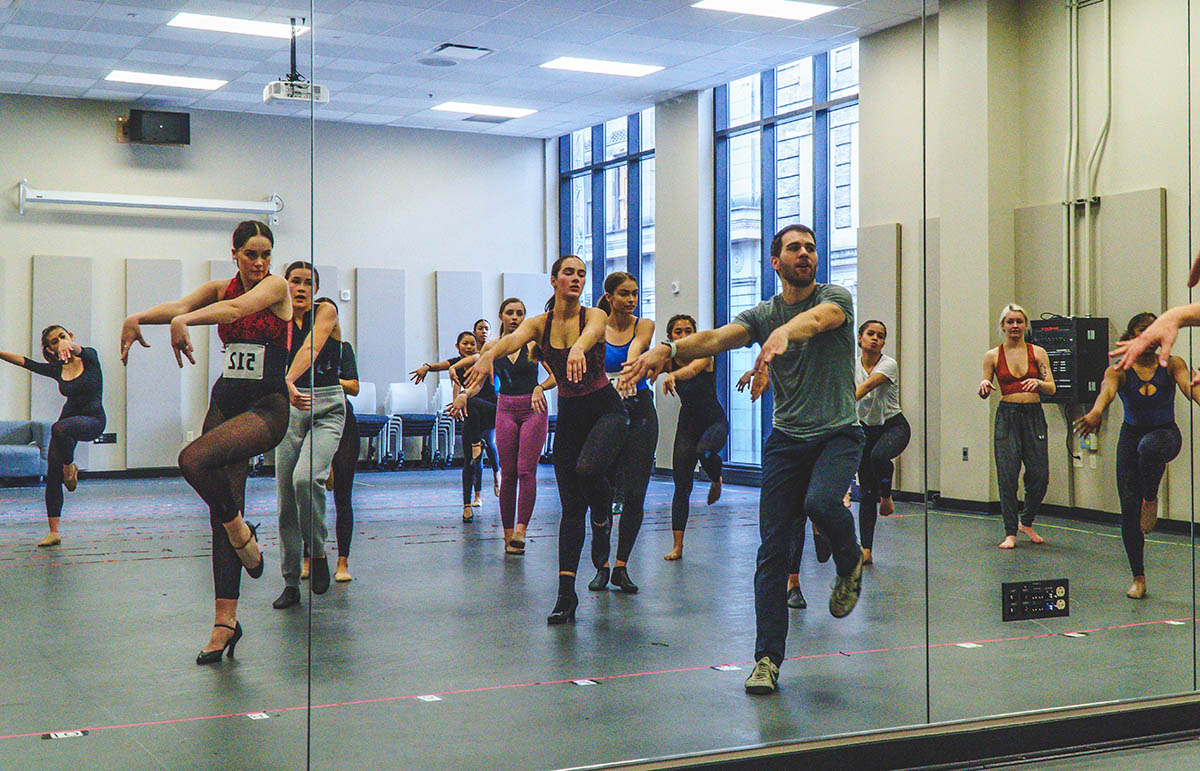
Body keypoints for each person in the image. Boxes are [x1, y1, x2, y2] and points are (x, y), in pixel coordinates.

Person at [623, 224, 864, 696]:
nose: (804, 254)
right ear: (775, 262)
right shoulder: (763, 313)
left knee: (820, 503)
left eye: (810, 248)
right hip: (786, 442)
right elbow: (714, 339)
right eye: (794, 248)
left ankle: (849, 556)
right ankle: (767, 660)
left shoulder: (836, 296)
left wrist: (782, 337)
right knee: (771, 553)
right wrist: (666, 351)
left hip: (838, 434)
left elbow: (817, 322)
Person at [121, 220, 291, 664]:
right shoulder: (219, 286)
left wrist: (184, 321)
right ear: (233, 253)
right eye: (251, 254)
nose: (259, 262)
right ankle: (224, 623)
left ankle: (240, 530)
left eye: (265, 254)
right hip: (225, 402)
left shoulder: (275, 287)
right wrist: (136, 317)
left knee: (192, 459)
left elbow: (236, 312)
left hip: (266, 406)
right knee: (223, 502)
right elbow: (177, 304)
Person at [465, 255, 627, 624]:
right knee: (571, 508)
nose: (576, 278)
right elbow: (510, 342)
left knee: (588, 471)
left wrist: (578, 349)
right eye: (568, 272)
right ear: (554, 280)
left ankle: (602, 514)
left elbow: (591, 335)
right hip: (570, 415)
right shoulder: (539, 323)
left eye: (581, 274)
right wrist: (487, 356)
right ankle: (565, 596)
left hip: (606, 410)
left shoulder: (594, 316)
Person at [1076, 312, 1197, 599]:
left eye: (1155, 332)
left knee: (1150, 447)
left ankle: (1151, 496)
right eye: (1144, 332)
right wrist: (1095, 412)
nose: (1152, 339)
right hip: (1130, 438)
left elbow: (1187, 386)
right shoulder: (1119, 370)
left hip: (1165, 435)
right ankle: (1138, 578)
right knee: (1129, 511)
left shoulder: (1172, 364)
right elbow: (1106, 392)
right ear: (1132, 337)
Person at [450, 298, 555, 553]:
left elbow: (555, 375)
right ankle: (509, 536)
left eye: (520, 313)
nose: (515, 317)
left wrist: (540, 387)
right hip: (505, 408)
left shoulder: (534, 343)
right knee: (508, 472)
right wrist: (464, 394)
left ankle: (521, 529)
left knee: (526, 470)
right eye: (510, 313)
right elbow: (478, 378)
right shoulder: (492, 346)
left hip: (533, 408)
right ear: (501, 316)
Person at [271, 263, 346, 610]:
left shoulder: (326, 310)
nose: (300, 288)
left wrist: (286, 379)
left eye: (307, 283)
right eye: (294, 281)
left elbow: (311, 349)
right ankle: (289, 581)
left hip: (326, 405)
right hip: (288, 409)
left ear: (316, 288)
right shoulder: (276, 317)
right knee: (286, 497)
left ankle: (316, 552)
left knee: (305, 480)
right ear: (285, 285)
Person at [0, 326, 105, 547]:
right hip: (67, 424)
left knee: (59, 428)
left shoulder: (90, 357)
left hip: (92, 420)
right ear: (50, 349)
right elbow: (25, 362)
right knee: (52, 473)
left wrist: (72, 347)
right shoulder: (57, 369)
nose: (60, 342)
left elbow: (81, 349)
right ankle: (54, 531)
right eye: (54, 341)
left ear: (71, 337)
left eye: (63, 337)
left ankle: (70, 468)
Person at [589, 272, 656, 594]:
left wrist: (630, 371)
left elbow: (638, 348)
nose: (631, 300)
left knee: (635, 494)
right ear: (610, 297)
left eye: (634, 294)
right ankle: (600, 564)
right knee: (600, 489)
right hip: (606, 409)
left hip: (640, 407)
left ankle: (621, 566)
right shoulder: (596, 325)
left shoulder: (644, 325)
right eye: (624, 294)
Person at [978, 304, 1055, 549]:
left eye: (1019, 321)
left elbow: (1051, 387)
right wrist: (983, 387)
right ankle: (1010, 531)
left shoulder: (1038, 353)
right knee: (1008, 476)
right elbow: (984, 384)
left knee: (1040, 475)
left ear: (1025, 325)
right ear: (1002, 326)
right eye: (1010, 322)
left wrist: (1039, 383)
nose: (1014, 326)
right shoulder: (993, 355)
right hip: (1007, 416)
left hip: (1033, 415)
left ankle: (1027, 520)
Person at [660, 314, 727, 562]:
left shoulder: (703, 356)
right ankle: (677, 546)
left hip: (714, 422)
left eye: (689, 330)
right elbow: (653, 365)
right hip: (687, 426)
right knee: (681, 486)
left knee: (704, 451)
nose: (684, 335)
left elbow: (693, 370)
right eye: (678, 331)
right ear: (670, 336)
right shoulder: (669, 360)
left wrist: (673, 376)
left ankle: (716, 477)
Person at [851, 320, 910, 564]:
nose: (875, 338)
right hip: (865, 431)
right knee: (866, 493)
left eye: (881, 336)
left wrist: (843, 404)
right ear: (860, 338)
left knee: (879, 456)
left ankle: (886, 494)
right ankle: (866, 550)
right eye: (870, 334)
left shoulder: (889, 365)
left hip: (893, 427)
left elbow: (866, 387)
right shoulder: (850, 365)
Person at [445, 331, 495, 522]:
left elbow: (475, 357)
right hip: (471, 418)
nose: (469, 347)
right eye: (464, 344)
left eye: (472, 343)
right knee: (470, 461)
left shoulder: (485, 356)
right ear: (458, 346)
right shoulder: (460, 366)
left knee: (489, 445)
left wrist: (453, 368)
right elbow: (443, 368)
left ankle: (494, 480)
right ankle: (467, 505)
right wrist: (430, 367)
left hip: (490, 411)